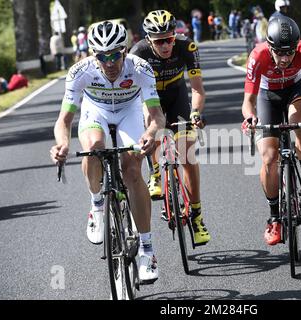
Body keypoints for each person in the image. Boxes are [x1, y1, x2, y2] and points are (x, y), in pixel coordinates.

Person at [49, 21, 165, 284]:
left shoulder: (140, 68)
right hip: (96, 112)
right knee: (92, 149)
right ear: (93, 54)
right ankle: (96, 204)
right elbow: (64, 121)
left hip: (129, 112)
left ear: (124, 50)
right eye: (102, 56)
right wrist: (62, 144)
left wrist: (150, 133)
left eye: (115, 54)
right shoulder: (80, 72)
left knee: (132, 168)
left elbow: (157, 115)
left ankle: (148, 251)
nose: (110, 62)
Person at [241, 16, 301, 246]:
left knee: (298, 119)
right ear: (269, 47)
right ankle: (274, 218)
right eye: (280, 53)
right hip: (268, 96)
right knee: (269, 157)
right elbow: (248, 101)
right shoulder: (257, 56)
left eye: (290, 52)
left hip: (297, 88)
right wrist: (250, 118)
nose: (286, 58)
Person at [130, 10, 211, 245]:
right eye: (159, 41)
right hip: (149, 97)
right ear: (148, 40)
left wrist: (195, 113)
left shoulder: (187, 47)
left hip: (177, 96)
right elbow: (134, 94)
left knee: (187, 152)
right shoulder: (138, 53)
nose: (166, 45)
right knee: (151, 123)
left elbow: (197, 88)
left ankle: (196, 216)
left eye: (169, 39)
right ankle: (156, 173)